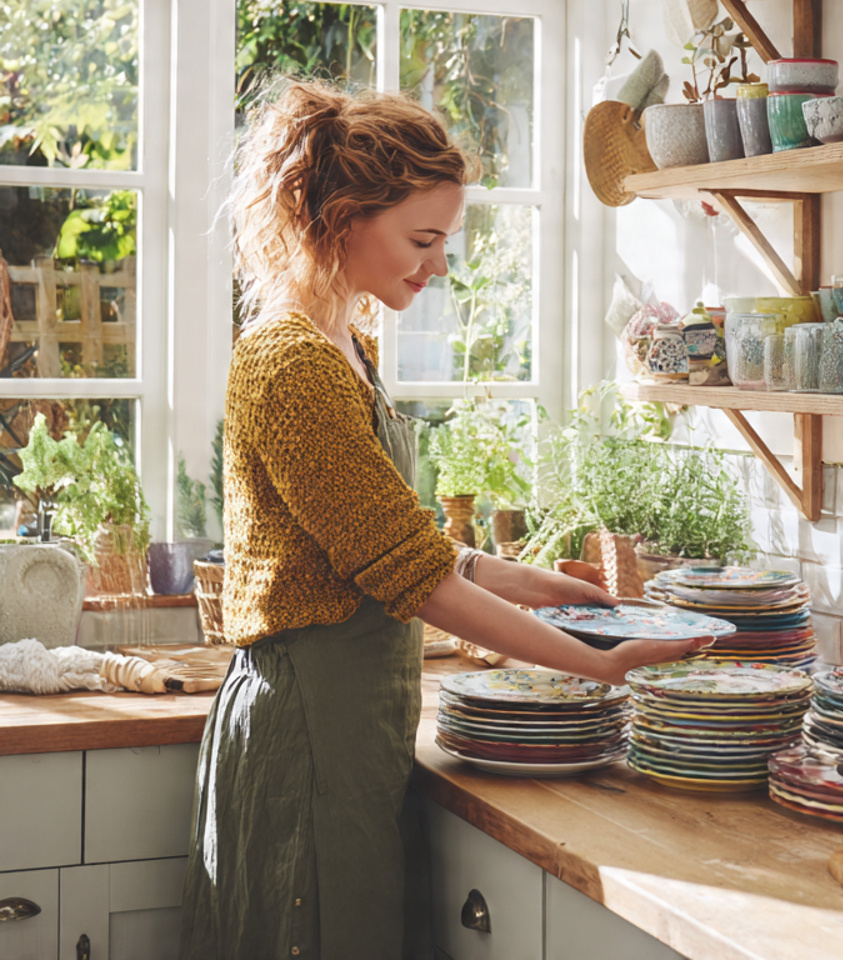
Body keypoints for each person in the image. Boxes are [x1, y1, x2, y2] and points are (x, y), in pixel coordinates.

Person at [180, 81, 708, 959]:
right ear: (342, 219)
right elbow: (414, 579)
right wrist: (599, 663)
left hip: (352, 729)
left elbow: (405, 547)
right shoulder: (292, 367)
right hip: (309, 737)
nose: (438, 265)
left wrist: (555, 591)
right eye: (421, 240)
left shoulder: (348, 346)